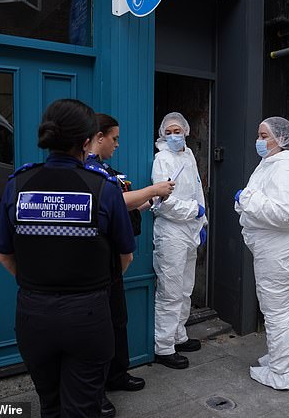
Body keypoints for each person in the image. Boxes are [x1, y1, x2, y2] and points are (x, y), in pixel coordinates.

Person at [0, 99, 136, 418]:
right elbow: (126, 256)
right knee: (83, 407)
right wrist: (99, 285)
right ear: (86, 142)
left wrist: (36, 283)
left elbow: (3, 255)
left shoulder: (18, 184)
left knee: (50, 404)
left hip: (33, 314)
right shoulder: (104, 188)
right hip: (88, 315)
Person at [86, 113, 175, 416]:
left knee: (117, 319)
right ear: (99, 137)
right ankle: (95, 392)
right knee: (98, 328)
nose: (117, 144)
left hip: (112, 257)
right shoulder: (88, 170)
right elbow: (112, 201)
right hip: (97, 258)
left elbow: (124, 199)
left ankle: (116, 374)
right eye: (114, 138)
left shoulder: (106, 169)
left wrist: (149, 202)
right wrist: (153, 190)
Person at [234, 117, 289, 390]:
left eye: (264, 136)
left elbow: (284, 214)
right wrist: (245, 201)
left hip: (283, 248)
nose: (259, 141)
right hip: (277, 247)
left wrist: (245, 199)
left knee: (277, 311)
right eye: (258, 135)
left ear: (281, 140)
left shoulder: (286, 170)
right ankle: (284, 358)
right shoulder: (271, 165)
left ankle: (281, 373)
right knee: (280, 308)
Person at [151, 112, 208, 369]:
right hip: (171, 232)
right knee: (170, 291)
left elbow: (197, 190)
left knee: (185, 287)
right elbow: (162, 202)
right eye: (169, 132)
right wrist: (193, 211)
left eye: (178, 131)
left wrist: (202, 221)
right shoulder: (161, 159)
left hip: (190, 230)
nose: (174, 136)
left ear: (186, 131)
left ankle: (179, 335)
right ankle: (163, 347)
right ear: (163, 135)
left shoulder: (189, 155)